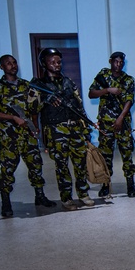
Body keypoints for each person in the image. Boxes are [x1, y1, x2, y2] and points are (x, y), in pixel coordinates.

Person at [0, 54, 55, 216]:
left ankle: (40, 196)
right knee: (8, 169)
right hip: (9, 136)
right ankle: (6, 202)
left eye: (14, 62)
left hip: (28, 134)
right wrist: (12, 118)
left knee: (36, 166)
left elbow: (34, 110)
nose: (12, 65)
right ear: (1, 67)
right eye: (8, 63)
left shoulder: (27, 85)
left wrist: (35, 127)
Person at [31, 48, 94, 210]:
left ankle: (83, 193)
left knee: (80, 162)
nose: (56, 65)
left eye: (58, 61)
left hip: (75, 128)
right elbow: (31, 109)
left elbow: (79, 106)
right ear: (43, 64)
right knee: (62, 165)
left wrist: (85, 128)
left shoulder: (68, 82)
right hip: (55, 130)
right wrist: (45, 99)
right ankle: (66, 197)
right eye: (52, 61)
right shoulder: (38, 85)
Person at [89, 52, 135, 198]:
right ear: (110, 61)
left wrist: (120, 119)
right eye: (116, 62)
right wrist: (107, 90)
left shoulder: (128, 80)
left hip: (122, 123)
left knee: (127, 154)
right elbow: (91, 94)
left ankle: (130, 184)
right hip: (106, 124)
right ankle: (105, 185)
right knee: (106, 156)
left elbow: (129, 101)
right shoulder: (103, 75)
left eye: (121, 62)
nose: (118, 65)